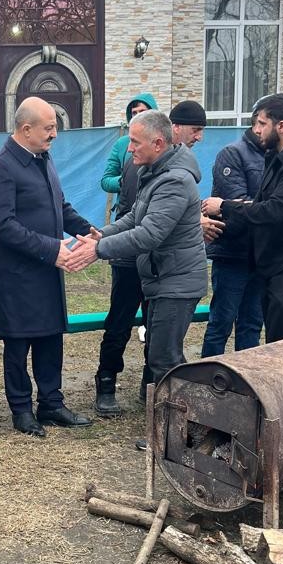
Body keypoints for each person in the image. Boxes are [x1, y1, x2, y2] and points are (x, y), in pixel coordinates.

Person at [68, 109, 207, 451]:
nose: (129, 149)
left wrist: (98, 250)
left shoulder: (175, 180)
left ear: (158, 143)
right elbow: (133, 217)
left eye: (134, 141)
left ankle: (184, 434)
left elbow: (150, 234)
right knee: (165, 357)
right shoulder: (157, 172)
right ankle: (181, 431)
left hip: (176, 283)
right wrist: (101, 235)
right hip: (164, 279)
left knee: (165, 359)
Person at [0, 96, 94, 437]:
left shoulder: (43, 158)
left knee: (50, 338)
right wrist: (51, 249)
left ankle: (51, 403)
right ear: (25, 129)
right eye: (49, 128)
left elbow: (60, 205)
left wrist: (86, 229)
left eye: (54, 128)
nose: (54, 135)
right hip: (17, 275)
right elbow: (3, 226)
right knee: (18, 343)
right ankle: (21, 409)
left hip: (47, 269)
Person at [202, 93, 283, 343]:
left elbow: (272, 210)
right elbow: (261, 204)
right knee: (259, 333)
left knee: (280, 343)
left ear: (281, 126)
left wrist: (224, 206)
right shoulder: (276, 157)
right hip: (271, 263)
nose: (255, 130)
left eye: (261, 123)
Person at [93, 93, 158, 415]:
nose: (131, 147)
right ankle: (106, 382)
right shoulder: (133, 167)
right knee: (119, 321)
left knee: (153, 324)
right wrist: (103, 242)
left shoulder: (173, 168)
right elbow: (132, 217)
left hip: (158, 262)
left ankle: (151, 385)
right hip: (128, 259)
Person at [200, 110, 265, 356]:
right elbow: (234, 206)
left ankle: (246, 382)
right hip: (232, 253)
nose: (261, 129)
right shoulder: (233, 153)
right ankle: (207, 380)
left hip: (260, 255)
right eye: (259, 123)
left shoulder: (277, 155)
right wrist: (267, 210)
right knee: (221, 323)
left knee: (252, 324)